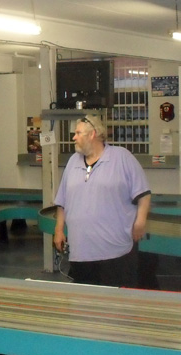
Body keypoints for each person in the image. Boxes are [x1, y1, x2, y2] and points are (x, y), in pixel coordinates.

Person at [53, 115, 151, 287]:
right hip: (81, 251)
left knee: (115, 304)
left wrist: (140, 221)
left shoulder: (122, 157)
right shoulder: (72, 162)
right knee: (84, 303)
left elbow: (143, 193)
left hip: (115, 252)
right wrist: (59, 229)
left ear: (92, 134)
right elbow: (62, 201)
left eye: (78, 133)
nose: (73, 137)